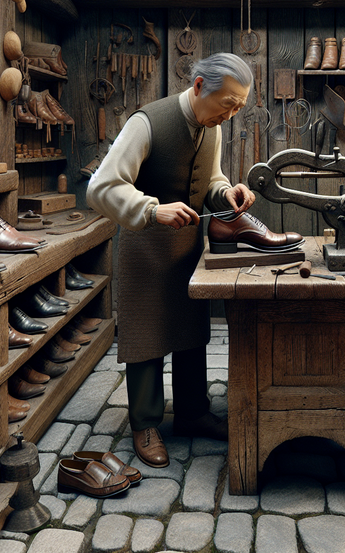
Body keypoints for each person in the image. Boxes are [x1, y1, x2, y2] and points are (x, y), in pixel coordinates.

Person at [87, 52, 255, 468]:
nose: (230, 115)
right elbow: (101, 186)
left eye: (239, 108)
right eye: (227, 104)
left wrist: (225, 193)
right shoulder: (147, 123)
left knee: (189, 330)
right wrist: (151, 209)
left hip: (185, 251)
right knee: (146, 337)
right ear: (199, 87)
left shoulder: (210, 127)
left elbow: (209, 178)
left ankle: (193, 412)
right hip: (145, 250)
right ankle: (145, 423)